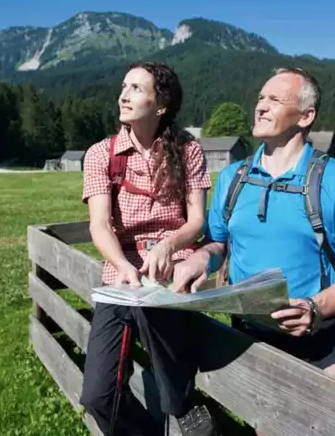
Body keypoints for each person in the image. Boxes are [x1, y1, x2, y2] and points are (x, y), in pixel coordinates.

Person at [172, 67, 335, 396]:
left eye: (274, 99)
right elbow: (218, 244)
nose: (261, 106)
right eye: (260, 98)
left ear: (305, 116)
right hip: (249, 333)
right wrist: (201, 259)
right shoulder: (232, 178)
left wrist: (315, 308)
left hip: (322, 333)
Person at [80, 61, 217, 436]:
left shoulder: (188, 150)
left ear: (161, 105)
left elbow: (195, 221)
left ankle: (182, 409)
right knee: (97, 397)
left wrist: (168, 246)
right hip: (120, 272)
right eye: (124, 86)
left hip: (173, 264)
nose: (124, 94)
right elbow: (100, 225)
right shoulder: (100, 154)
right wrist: (123, 266)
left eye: (136, 88)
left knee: (154, 307)